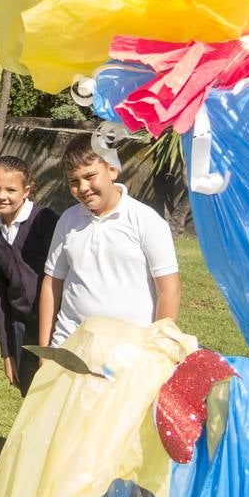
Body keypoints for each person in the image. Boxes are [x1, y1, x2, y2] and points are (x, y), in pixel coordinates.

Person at [39, 135, 180, 348]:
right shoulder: (68, 220)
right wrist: (45, 348)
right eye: (74, 181)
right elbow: (52, 283)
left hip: (129, 352)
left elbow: (170, 290)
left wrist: (157, 350)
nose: (83, 188)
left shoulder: (146, 220)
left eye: (90, 176)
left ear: (112, 170)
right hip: (69, 347)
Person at [0, 156, 58, 396]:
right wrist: (7, 352)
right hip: (22, 333)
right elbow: (0, 300)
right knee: (30, 397)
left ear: (27, 190)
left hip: (58, 329)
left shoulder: (45, 221)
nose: (1, 196)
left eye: (10, 189)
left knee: (56, 398)